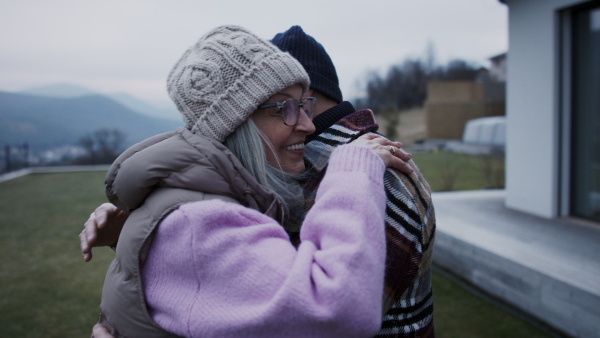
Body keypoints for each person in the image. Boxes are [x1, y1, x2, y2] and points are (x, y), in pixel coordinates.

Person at [89, 25, 409, 337]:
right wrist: (352, 169)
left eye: (304, 106)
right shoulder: (196, 222)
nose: (309, 126)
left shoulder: (197, 211)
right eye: (284, 108)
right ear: (236, 125)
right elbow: (339, 308)